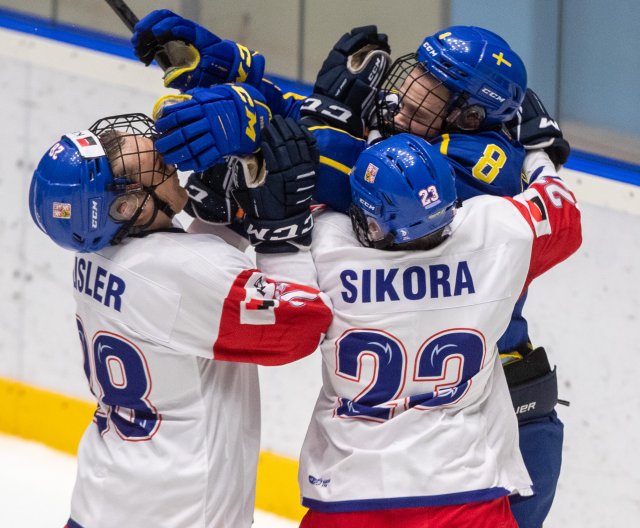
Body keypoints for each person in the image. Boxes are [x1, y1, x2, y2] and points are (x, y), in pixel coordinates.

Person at [129, 13, 570, 526]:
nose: (407, 89)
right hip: (449, 429)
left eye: (430, 88)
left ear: (470, 116)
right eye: (416, 73)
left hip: (500, 421)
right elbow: (323, 145)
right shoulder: (424, 148)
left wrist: (253, 117)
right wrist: (237, 80)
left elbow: (334, 161)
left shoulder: (481, 166)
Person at [237, 132, 582, 527]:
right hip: (468, 498)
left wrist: (275, 233)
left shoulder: (326, 247)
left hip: (350, 497)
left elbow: (280, 316)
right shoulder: (497, 234)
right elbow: (562, 210)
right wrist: (538, 154)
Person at [28, 110, 332, 528]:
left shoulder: (94, 253)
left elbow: (189, 291)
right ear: (127, 206)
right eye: (150, 164)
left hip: (103, 506)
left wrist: (225, 221)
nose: (165, 156)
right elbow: (301, 324)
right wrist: (282, 234)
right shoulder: (183, 273)